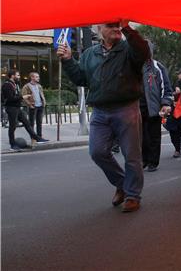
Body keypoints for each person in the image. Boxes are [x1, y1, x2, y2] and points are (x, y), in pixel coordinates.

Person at [57, 21, 148, 212]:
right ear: (99, 29)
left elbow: (143, 53)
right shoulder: (90, 53)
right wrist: (67, 60)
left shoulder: (129, 48)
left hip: (126, 108)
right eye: (111, 25)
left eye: (118, 25)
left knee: (131, 155)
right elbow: (81, 78)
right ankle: (122, 184)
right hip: (100, 110)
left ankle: (132, 195)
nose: (116, 28)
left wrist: (128, 29)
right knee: (97, 152)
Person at [140, 49, 173, 172]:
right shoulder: (131, 67)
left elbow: (167, 88)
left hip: (153, 108)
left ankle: (153, 161)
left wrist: (165, 103)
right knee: (141, 136)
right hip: (137, 108)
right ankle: (143, 159)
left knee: (153, 136)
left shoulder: (157, 67)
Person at [3, 70, 48, 150]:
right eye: (18, 75)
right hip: (11, 108)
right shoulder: (7, 85)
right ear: (12, 76)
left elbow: (16, 96)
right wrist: (23, 97)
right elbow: (10, 98)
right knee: (12, 127)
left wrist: (21, 97)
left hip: (17, 107)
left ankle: (37, 138)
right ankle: (12, 145)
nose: (19, 77)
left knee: (27, 123)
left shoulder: (15, 84)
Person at [21, 72, 47, 139]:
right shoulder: (26, 86)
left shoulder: (39, 86)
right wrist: (29, 104)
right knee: (31, 123)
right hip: (33, 106)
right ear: (32, 77)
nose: (38, 78)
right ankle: (33, 138)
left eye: (38, 76)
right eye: (37, 77)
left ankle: (39, 137)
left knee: (39, 122)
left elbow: (41, 94)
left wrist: (44, 102)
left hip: (40, 106)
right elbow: (23, 97)